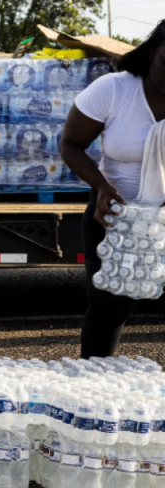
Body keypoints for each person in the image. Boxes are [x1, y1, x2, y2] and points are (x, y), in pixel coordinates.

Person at [60, 21, 165, 358]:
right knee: (109, 306)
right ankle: (93, 390)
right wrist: (101, 186)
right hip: (114, 215)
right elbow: (71, 143)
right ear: (151, 53)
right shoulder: (115, 90)